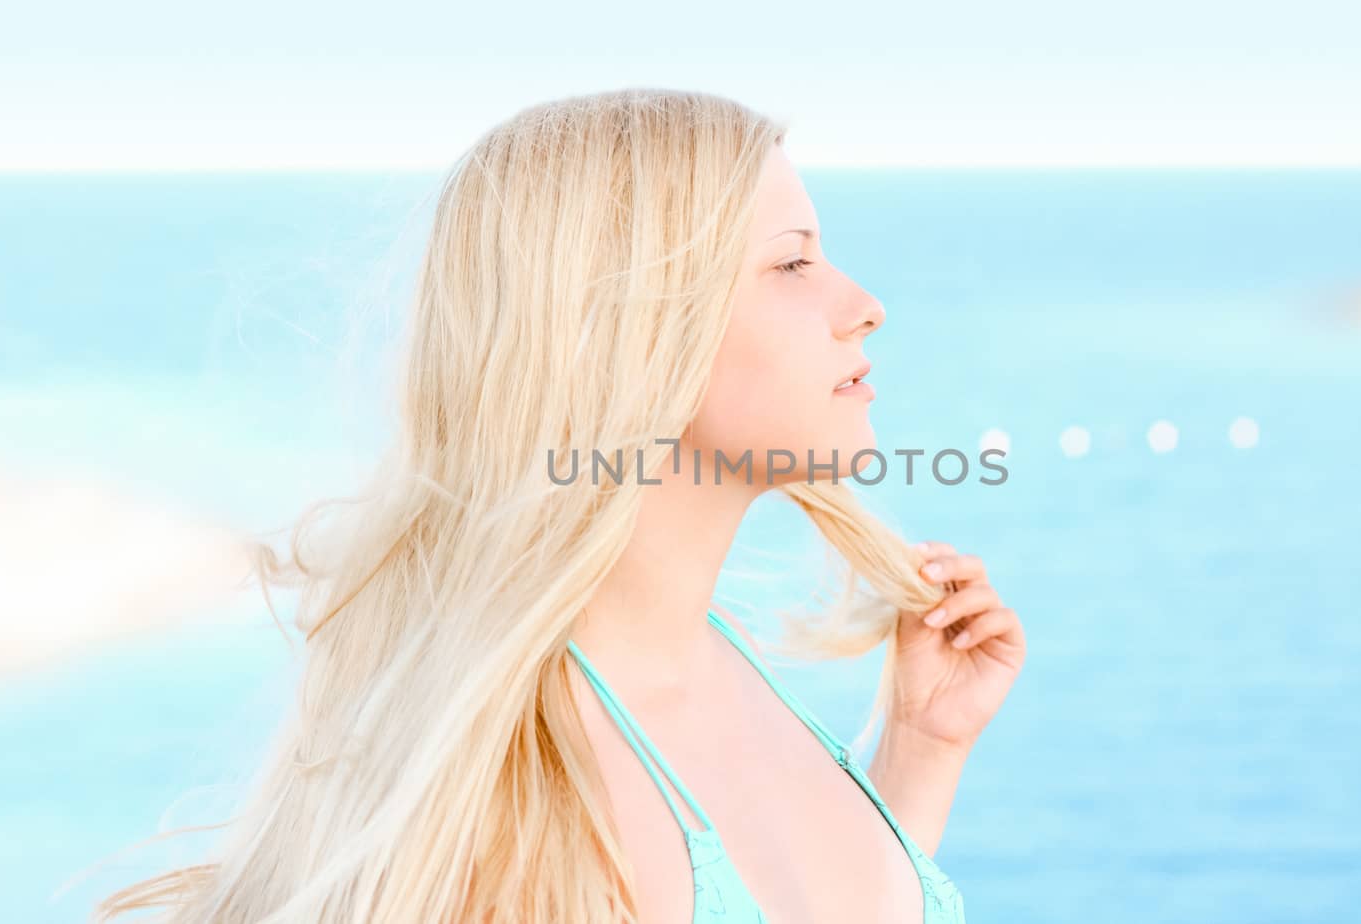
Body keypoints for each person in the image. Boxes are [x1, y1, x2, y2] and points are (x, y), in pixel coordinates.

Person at [96, 87, 1025, 924]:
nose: (864, 306)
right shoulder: (517, 797)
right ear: (633, 329)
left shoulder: (719, 662)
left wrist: (919, 752)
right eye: (792, 266)